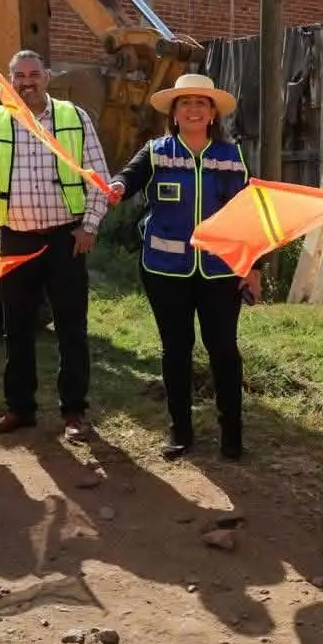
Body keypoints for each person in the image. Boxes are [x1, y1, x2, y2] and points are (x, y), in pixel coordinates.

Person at [0, 49, 110, 442]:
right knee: (16, 328)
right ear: (9, 80)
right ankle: (19, 409)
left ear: (47, 77)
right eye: (18, 76)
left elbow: (99, 177)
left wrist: (89, 226)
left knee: (71, 329)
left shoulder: (74, 118)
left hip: (65, 239)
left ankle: (74, 412)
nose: (26, 82)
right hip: (16, 239)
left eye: (33, 74)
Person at [108, 74, 260, 461]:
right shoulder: (156, 152)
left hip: (220, 271)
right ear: (173, 113)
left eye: (201, 103)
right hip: (165, 271)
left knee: (223, 350)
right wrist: (117, 187)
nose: (193, 109)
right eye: (185, 103)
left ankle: (232, 434)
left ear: (213, 114)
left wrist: (254, 266)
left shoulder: (232, 157)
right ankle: (180, 431)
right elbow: (127, 178)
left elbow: (251, 215)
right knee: (176, 349)